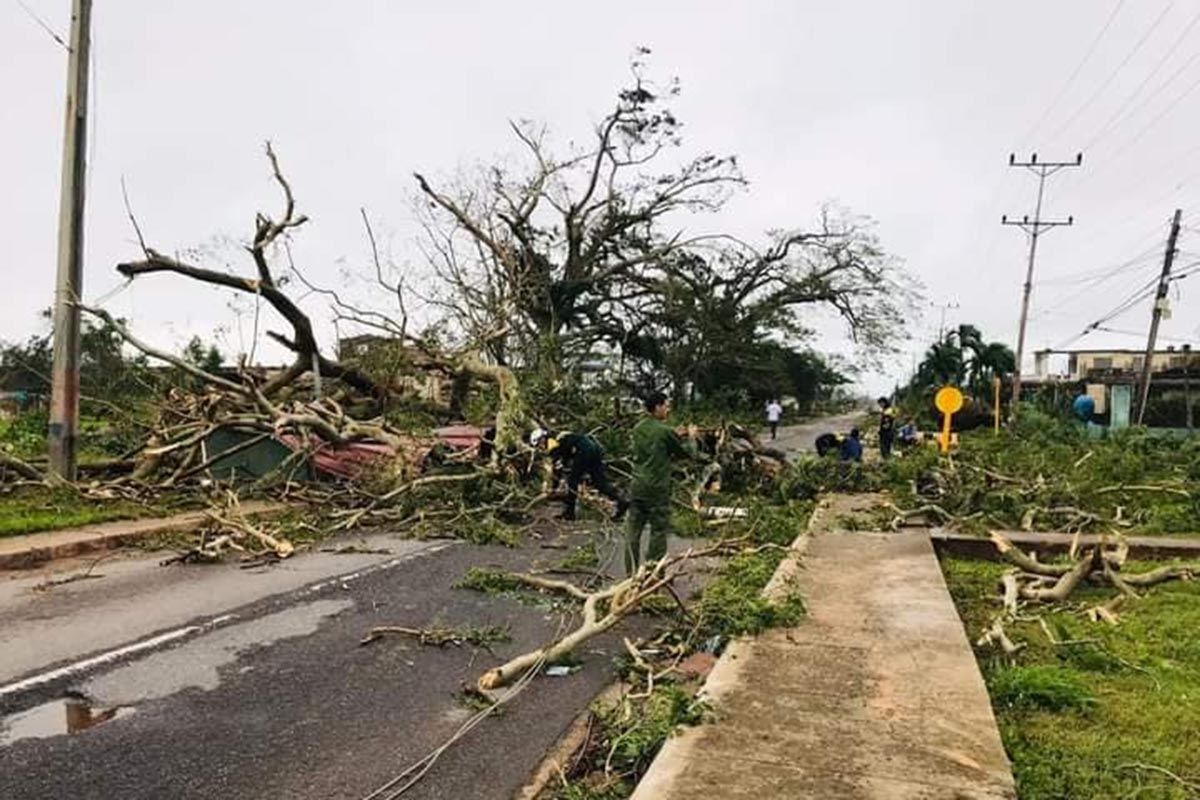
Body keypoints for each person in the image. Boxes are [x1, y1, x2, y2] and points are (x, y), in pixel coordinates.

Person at [626, 392, 698, 574]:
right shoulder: (664, 431)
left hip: (637, 485)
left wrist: (675, 434)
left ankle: (631, 574)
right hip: (657, 487)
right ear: (657, 407)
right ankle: (653, 573)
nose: (668, 409)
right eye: (666, 406)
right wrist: (691, 437)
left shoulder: (637, 428)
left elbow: (657, 444)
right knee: (658, 530)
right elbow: (686, 453)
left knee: (633, 531)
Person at [531, 428, 627, 522]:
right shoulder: (558, 436)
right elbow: (566, 456)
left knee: (572, 481)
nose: (540, 448)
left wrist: (554, 487)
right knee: (599, 483)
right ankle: (621, 502)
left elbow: (557, 468)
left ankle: (570, 513)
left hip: (583, 451)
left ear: (543, 438)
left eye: (539, 444)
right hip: (593, 448)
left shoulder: (552, 443)